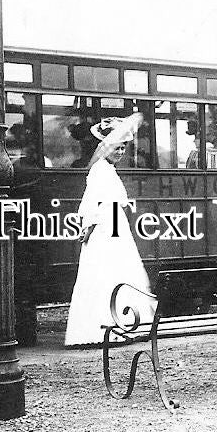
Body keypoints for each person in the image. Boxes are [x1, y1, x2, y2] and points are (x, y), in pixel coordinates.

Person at [65, 115, 153, 347]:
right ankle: (107, 326)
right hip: (106, 225)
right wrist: (89, 228)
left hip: (114, 222)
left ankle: (122, 323)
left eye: (123, 148)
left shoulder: (107, 169)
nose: (120, 152)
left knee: (118, 270)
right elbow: (92, 203)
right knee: (106, 271)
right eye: (116, 148)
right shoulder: (99, 170)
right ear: (105, 147)